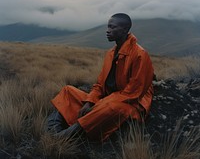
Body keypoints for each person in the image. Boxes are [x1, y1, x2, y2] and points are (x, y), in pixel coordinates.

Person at [47, 13, 154, 141]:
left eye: (112, 27)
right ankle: (52, 129)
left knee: (109, 107)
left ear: (125, 29)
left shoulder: (140, 55)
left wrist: (102, 103)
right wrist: (90, 102)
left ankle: (65, 136)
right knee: (68, 91)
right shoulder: (110, 54)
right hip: (108, 99)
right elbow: (100, 84)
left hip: (131, 104)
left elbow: (134, 93)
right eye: (108, 27)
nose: (108, 31)